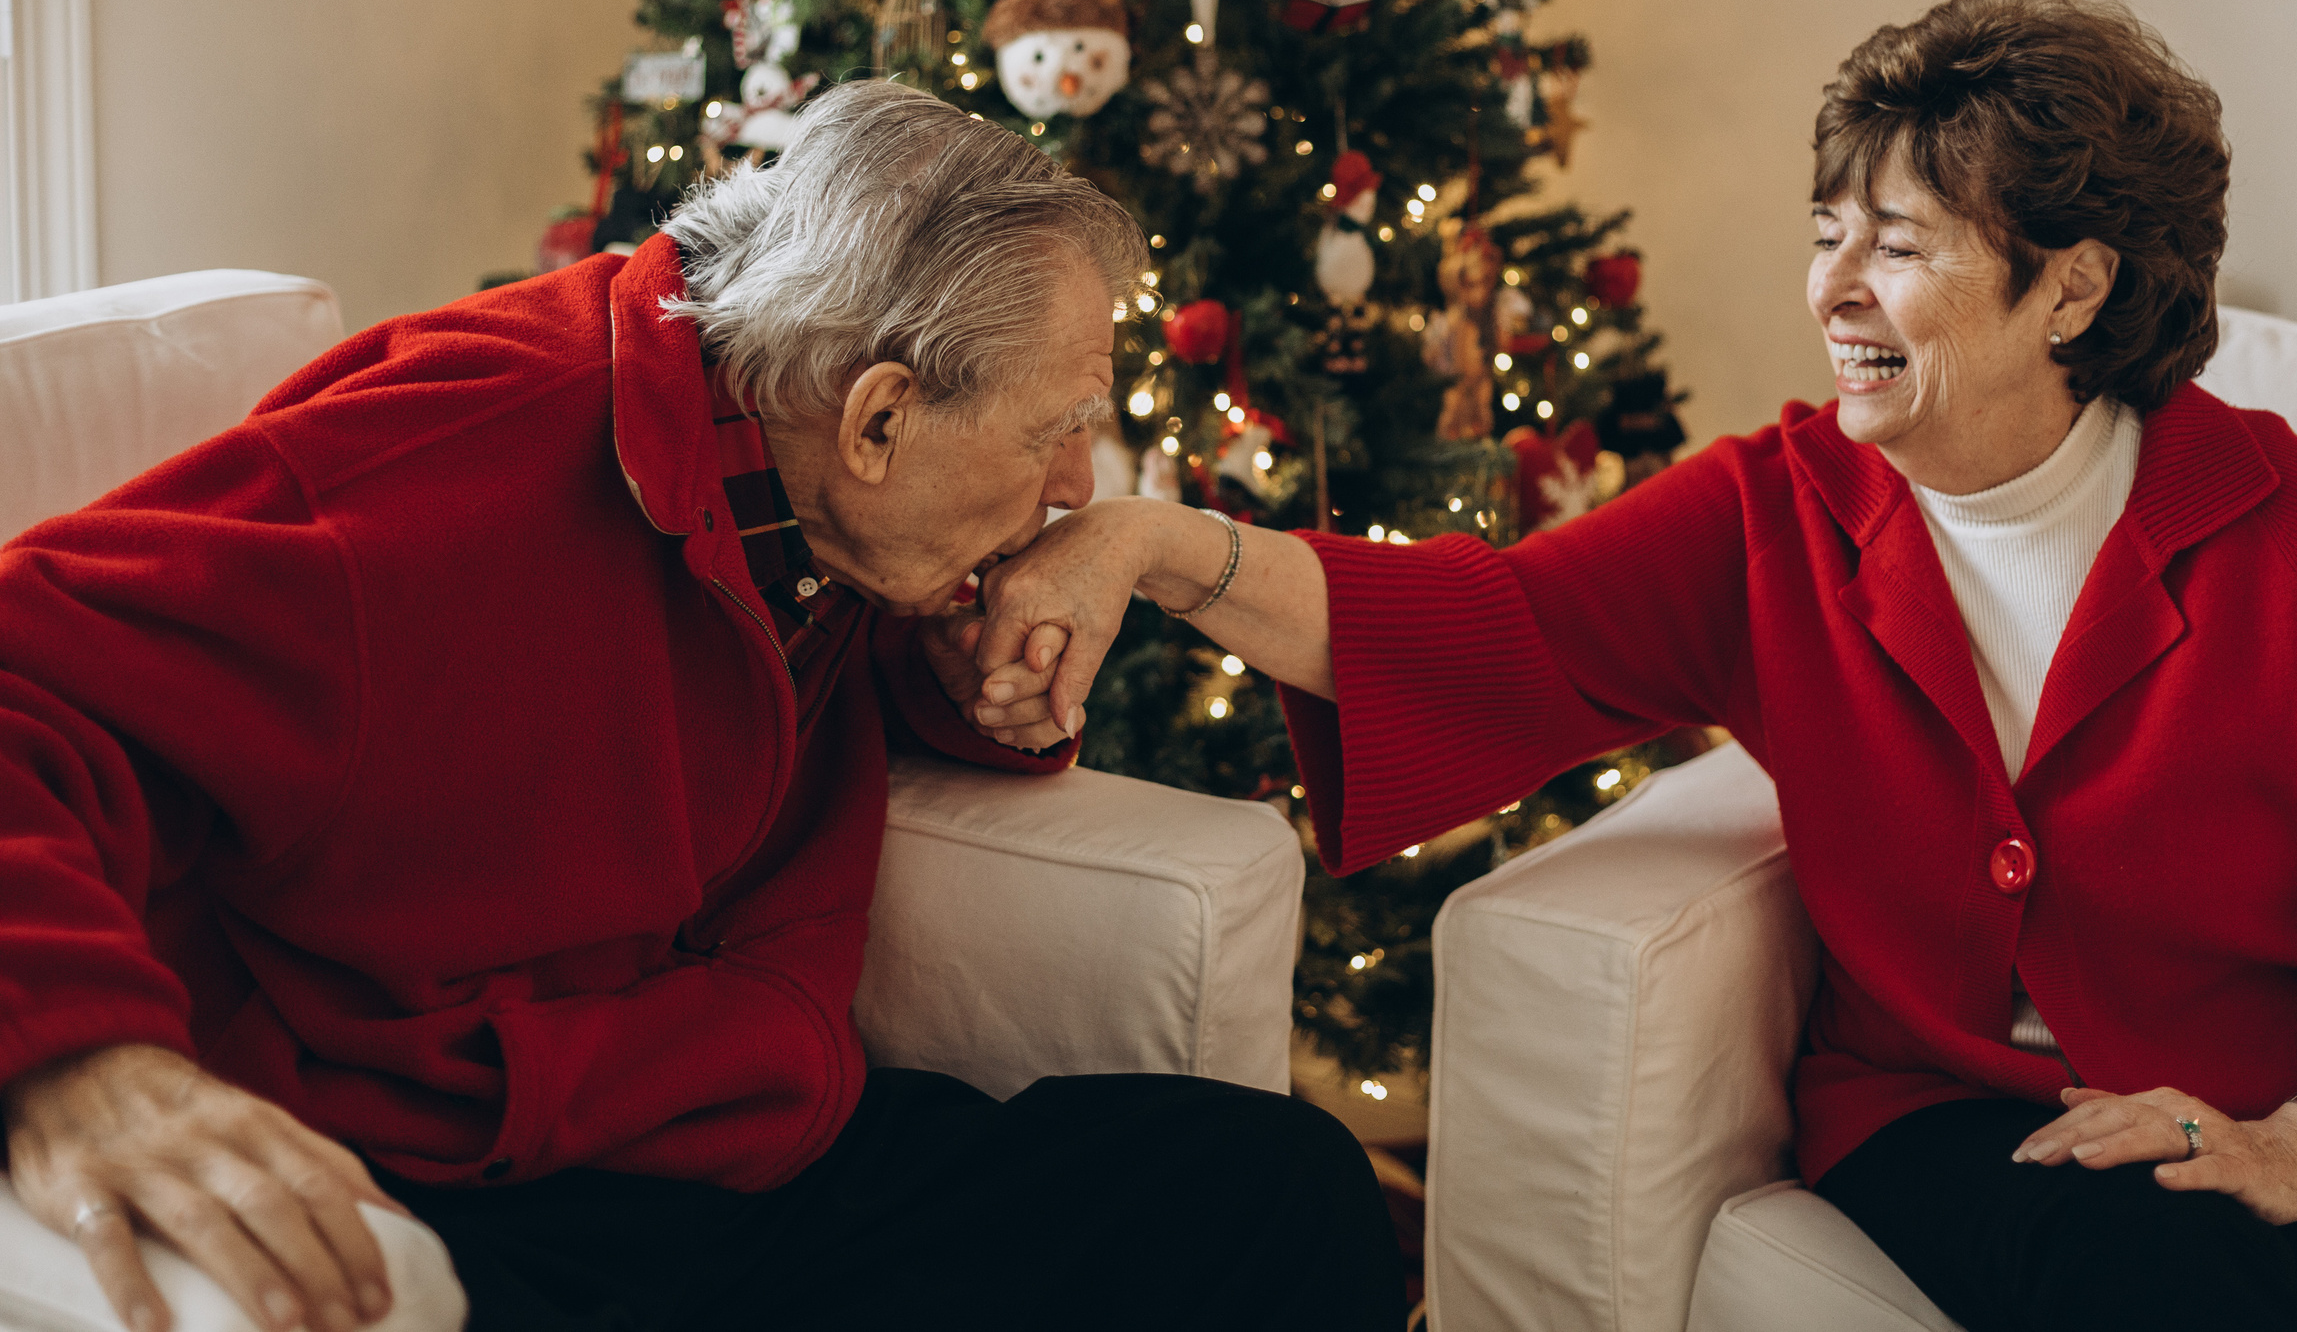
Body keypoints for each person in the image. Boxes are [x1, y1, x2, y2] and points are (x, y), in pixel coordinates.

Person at [971, 0, 2297, 1332]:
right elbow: (1480, 635)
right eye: (1829, 232)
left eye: (1901, 246)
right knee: (2134, 1279)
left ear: (2070, 286)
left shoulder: (2276, 520)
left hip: (2261, 1107)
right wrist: (1153, 544)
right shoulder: (1770, 511)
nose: (1834, 291)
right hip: (1943, 1117)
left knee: (2202, 1274)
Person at [0, 82, 1404, 1332]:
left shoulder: (807, 474)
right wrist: (73, 1061)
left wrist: (963, 669)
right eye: (1051, 432)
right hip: (447, 1178)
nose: (1073, 487)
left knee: (1279, 1196)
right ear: (876, 418)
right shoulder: (443, 460)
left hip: (737, 1155)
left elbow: (714, 703)